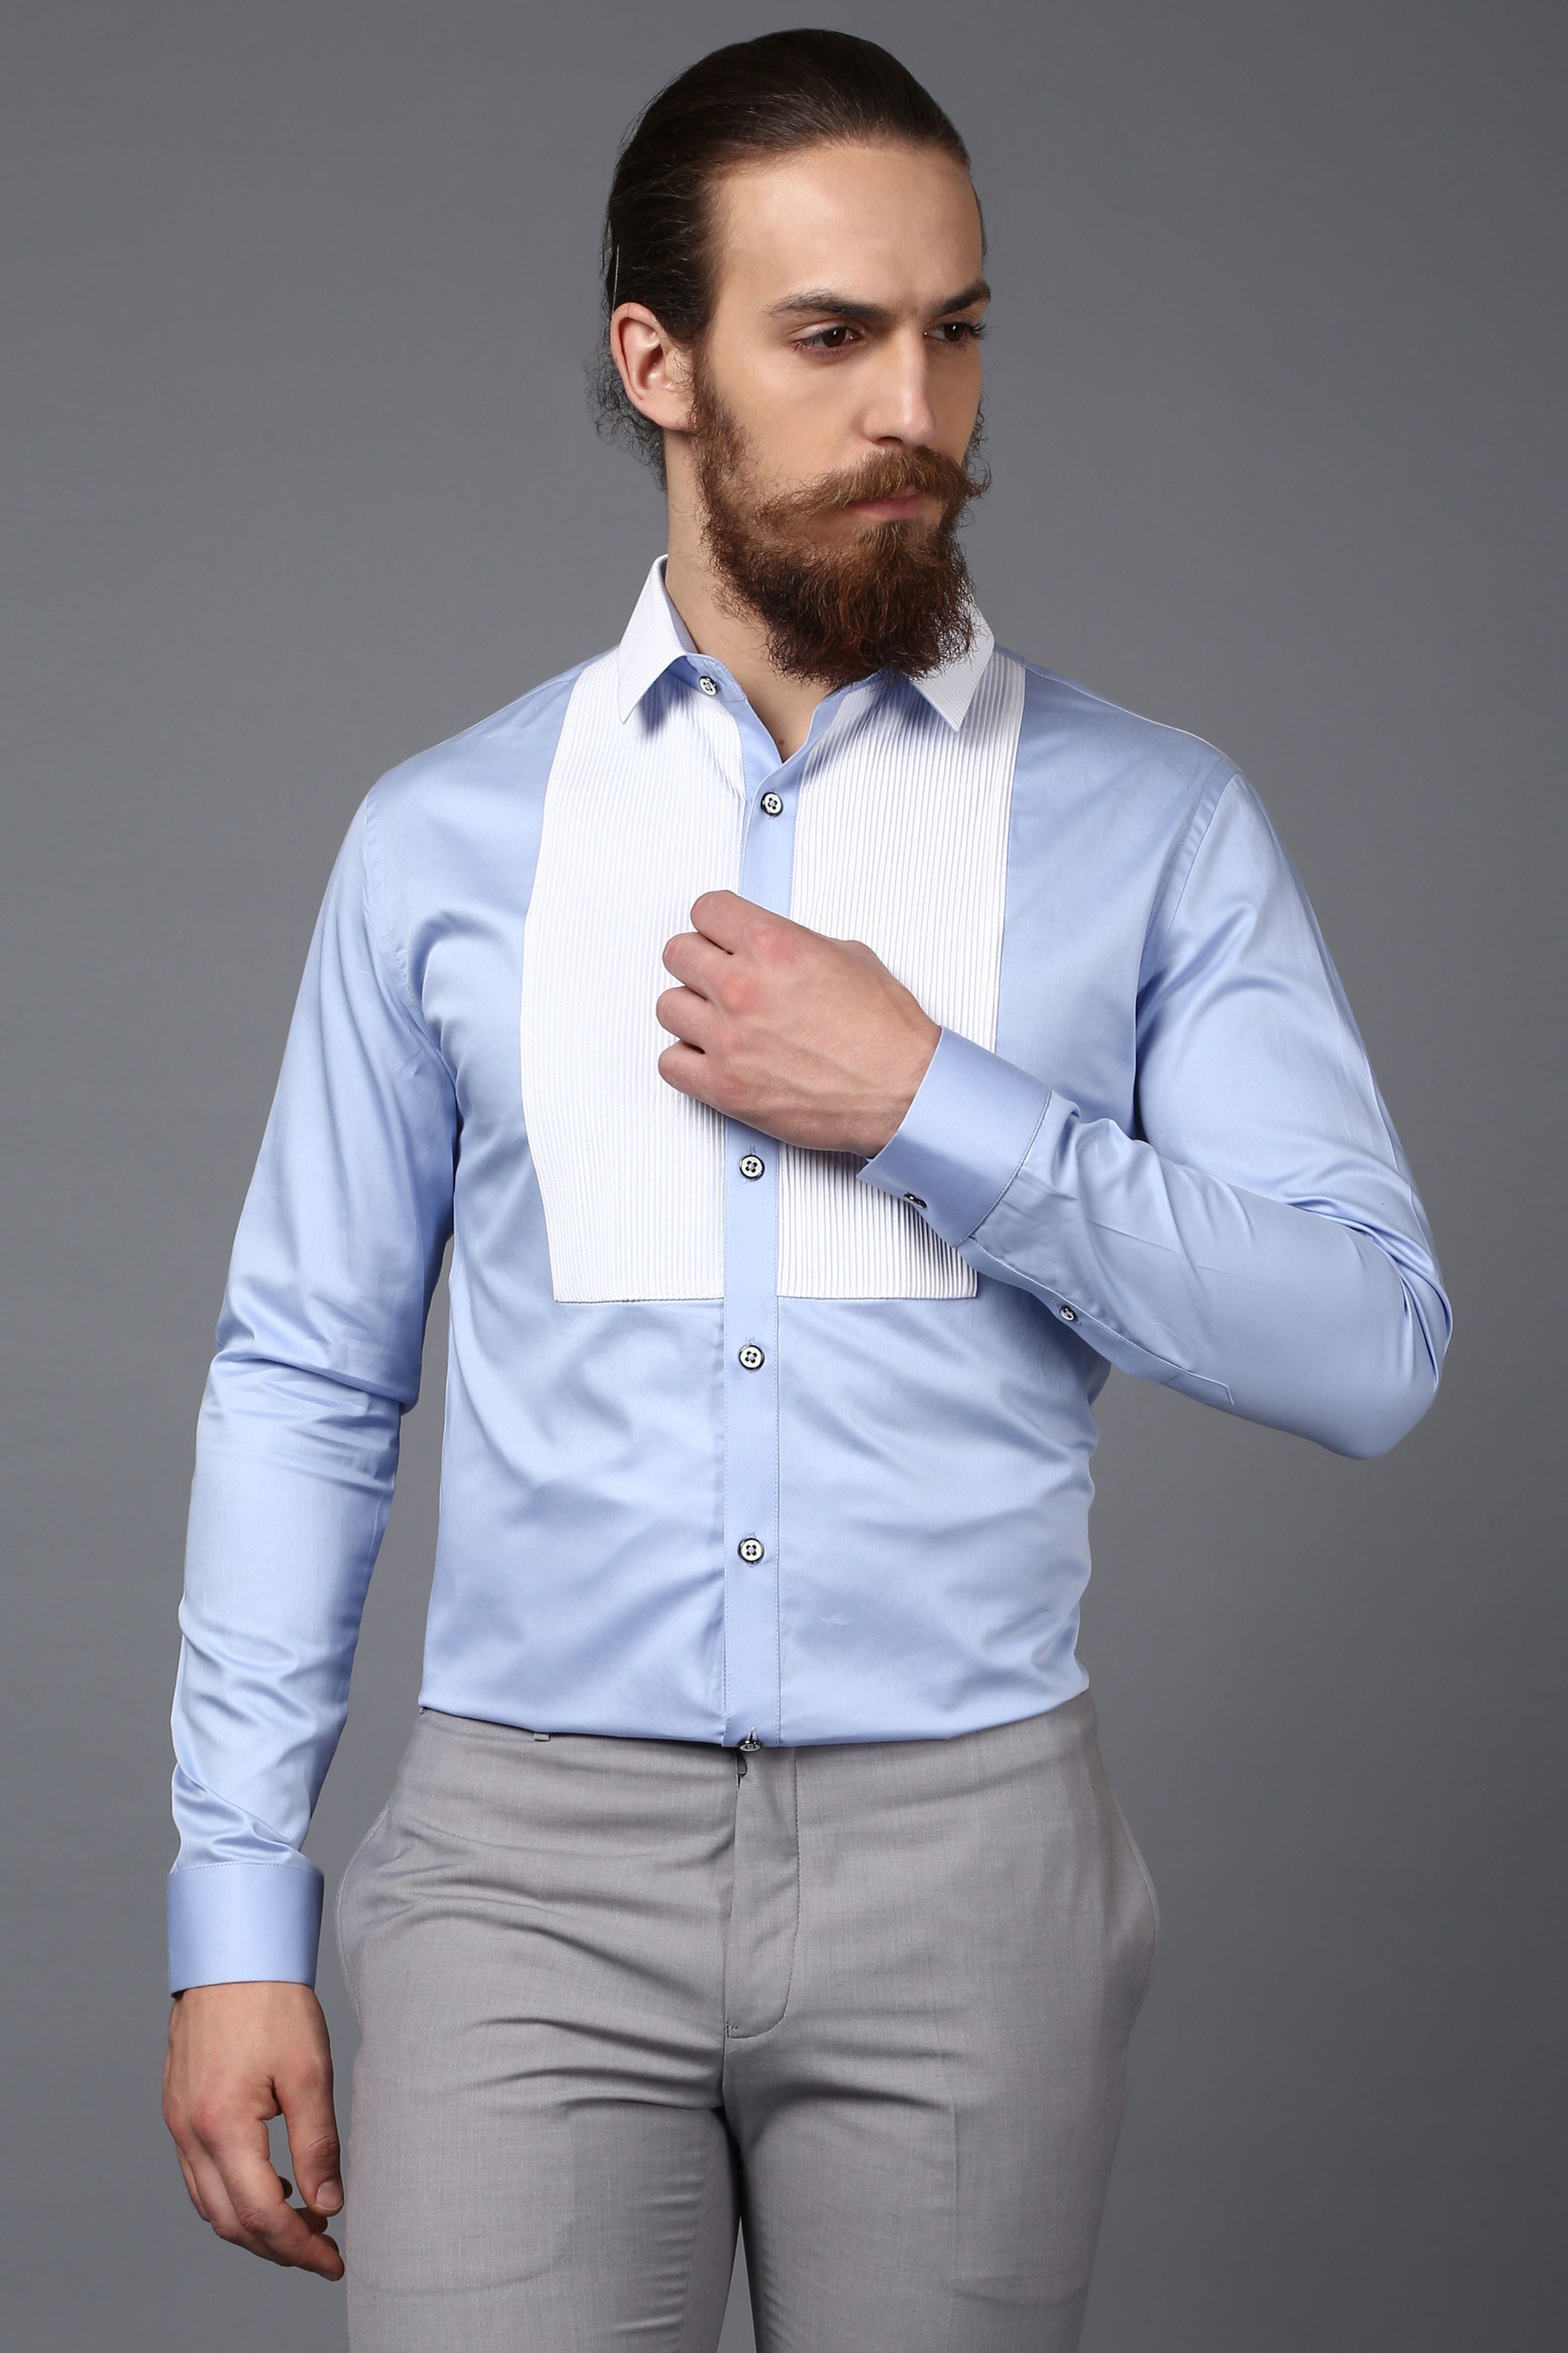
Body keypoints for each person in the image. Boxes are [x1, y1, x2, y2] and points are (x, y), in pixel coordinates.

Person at [161, 28, 1450, 2351]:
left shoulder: (1155, 824)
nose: (914, 411)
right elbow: (304, 1380)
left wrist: (939, 1103)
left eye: (956, 330)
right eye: (832, 335)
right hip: (520, 1884)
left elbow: (1366, 1346)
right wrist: (236, 1912)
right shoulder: (442, 840)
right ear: (657, 363)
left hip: (972, 1871)